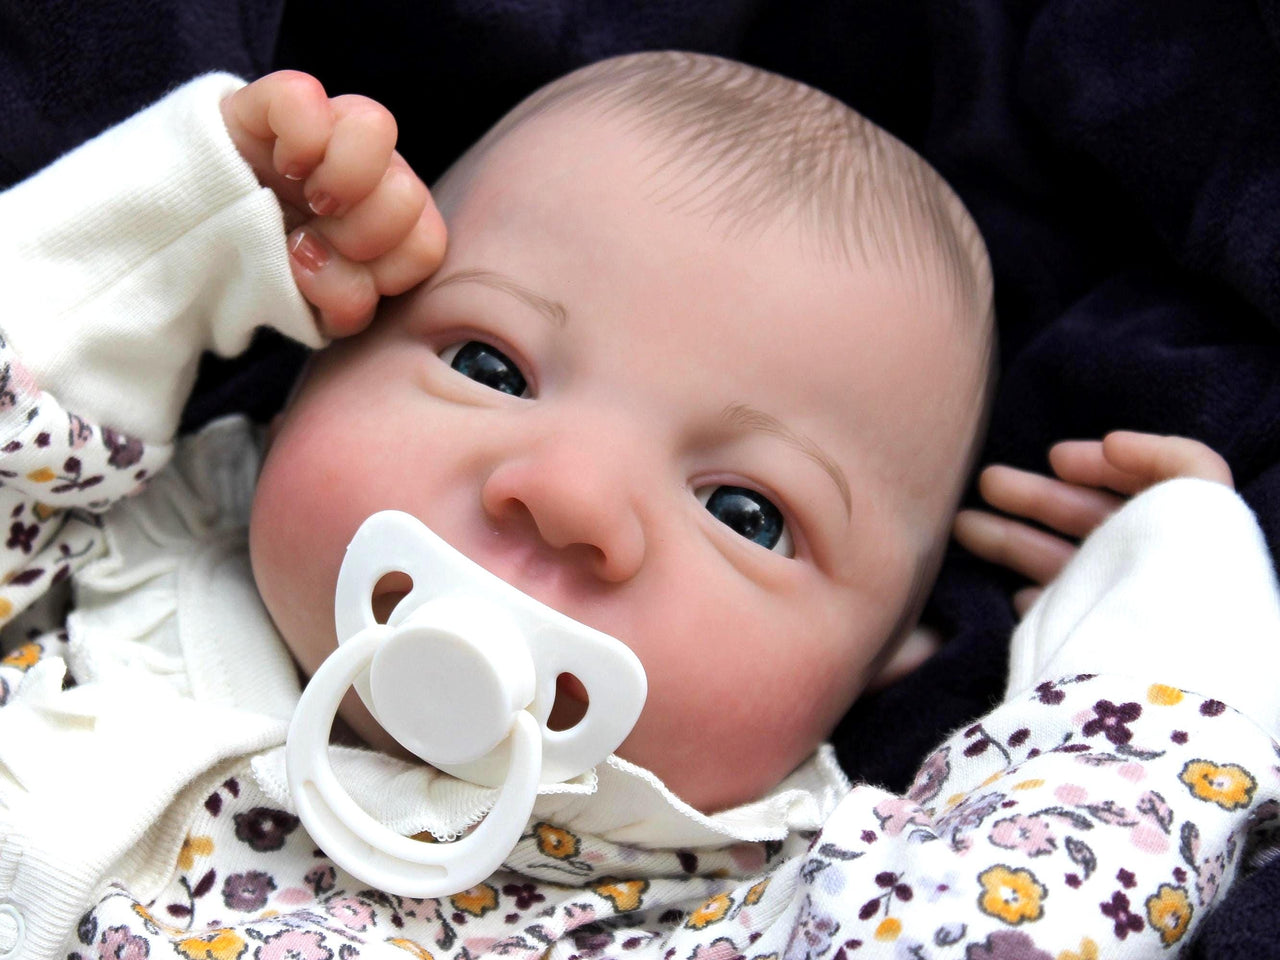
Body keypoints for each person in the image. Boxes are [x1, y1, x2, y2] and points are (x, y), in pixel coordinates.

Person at [0, 53, 1274, 960]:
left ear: (891, 662)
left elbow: (1033, 913)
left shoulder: (767, 915)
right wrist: (177, 241)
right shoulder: (98, 553)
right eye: (489, 367)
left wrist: (1155, 669)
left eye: (747, 511)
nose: (568, 500)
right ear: (313, 364)